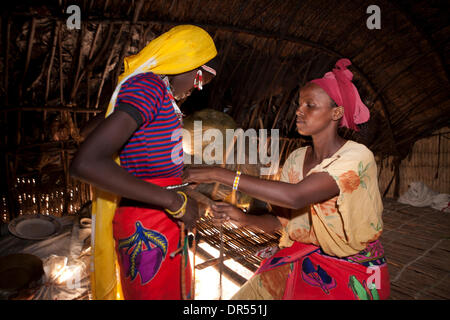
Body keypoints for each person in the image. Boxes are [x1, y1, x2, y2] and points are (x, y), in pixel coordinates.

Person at [183, 58, 390, 300]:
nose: (299, 111)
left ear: (336, 113)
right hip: (301, 259)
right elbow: (284, 221)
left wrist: (217, 173)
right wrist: (243, 218)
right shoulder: (296, 159)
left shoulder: (356, 157)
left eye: (310, 105)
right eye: (299, 104)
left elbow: (296, 197)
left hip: (351, 272)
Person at [70, 25, 217, 300]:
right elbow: (86, 163)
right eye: (198, 80)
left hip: (161, 214)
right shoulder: (147, 87)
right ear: (185, 64)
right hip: (146, 223)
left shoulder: (157, 93)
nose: (196, 89)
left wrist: (184, 178)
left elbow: (108, 132)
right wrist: (175, 201)